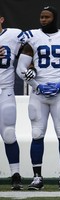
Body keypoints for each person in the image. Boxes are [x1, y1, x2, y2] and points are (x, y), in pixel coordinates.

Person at [16, 6, 60, 190]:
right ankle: (37, 177)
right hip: (38, 94)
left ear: (55, 18)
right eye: (41, 16)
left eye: (47, 17)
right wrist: (37, 86)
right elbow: (21, 69)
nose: (43, 20)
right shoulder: (32, 37)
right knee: (37, 134)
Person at [0, 13, 25, 190]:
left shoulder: (15, 35)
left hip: (5, 90)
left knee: (9, 133)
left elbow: (35, 48)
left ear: (1, 19)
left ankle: (15, 174)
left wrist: (29, 65)